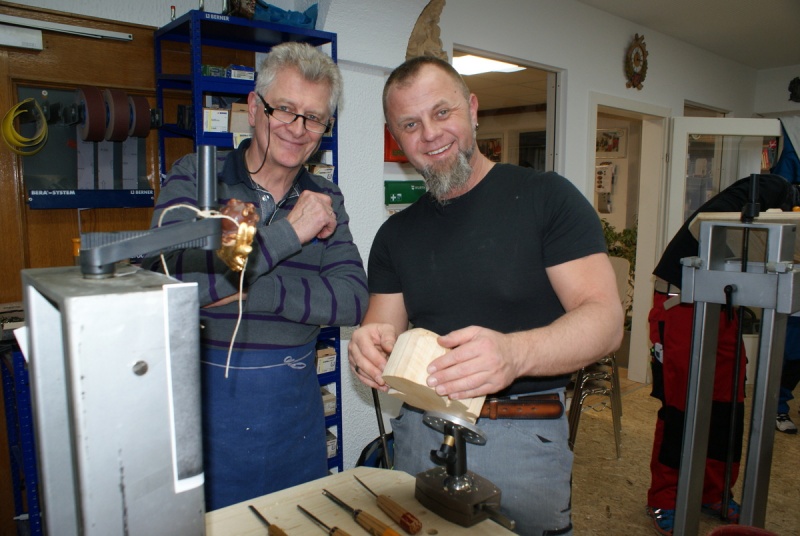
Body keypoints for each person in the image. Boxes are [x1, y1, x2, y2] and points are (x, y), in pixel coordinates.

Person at [348, 56, 623, 536]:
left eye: (442, 112)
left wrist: (514, 353)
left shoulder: (547, 198)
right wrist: (366, 349)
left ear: (472, 110)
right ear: (396, 138)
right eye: (410, 124)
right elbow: (382, 331)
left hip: (521, 439)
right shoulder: (395, 235)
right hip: (419, 437)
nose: (430, 134)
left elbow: (605, 320)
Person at [143, 42, 368, 511]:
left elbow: (351, 300)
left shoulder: (325, 198)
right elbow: (175, 282)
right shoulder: (198, 178)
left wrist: (249, 285)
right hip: (207, 415)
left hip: (294, 416)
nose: (297, 129)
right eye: (284, 109)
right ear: (253, 106)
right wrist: (290, 233)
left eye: (314, 118)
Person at [645, 174, 800, 535]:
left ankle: (713, 491)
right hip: (680, 304)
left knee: (727, 405)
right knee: (681, 407)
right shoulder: (760, 194)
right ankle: (666, 497)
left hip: (724, 305)